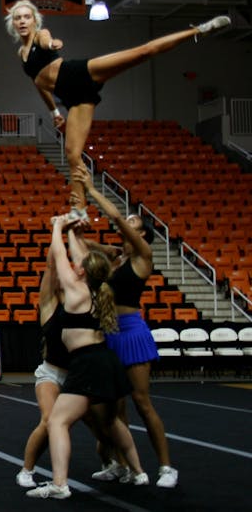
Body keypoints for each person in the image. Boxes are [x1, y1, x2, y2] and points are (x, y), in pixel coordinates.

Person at [4, 1, 230, 219]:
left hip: (79, 73)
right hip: (74, 98)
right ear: (12, 23)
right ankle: (80, 210)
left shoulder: (41, 35)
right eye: (18, 18)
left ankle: (198, 30)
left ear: (35, 20)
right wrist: (54, 112)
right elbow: (39, 85)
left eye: (27, 16)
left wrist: (52, 44)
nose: (23, 21)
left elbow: (48, 41)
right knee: (72, 154)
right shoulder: (21, 55)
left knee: (143, 52)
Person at [26, 215, 147, 500]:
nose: (73, 264)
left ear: (81, 272)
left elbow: (57, 257)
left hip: (88, 363)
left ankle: (59, 484)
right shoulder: (98, 288)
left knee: (57, 422)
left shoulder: (77, 292)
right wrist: (73, 233)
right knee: (112, 421)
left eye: (76, 265)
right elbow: (82, 258)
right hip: (106, 361)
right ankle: (138, 471)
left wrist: (57, 227)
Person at [73, 167, 178, 488]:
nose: (128, 222)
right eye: (130, 220)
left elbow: (117, 217)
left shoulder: (143, 256)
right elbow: (85, 242)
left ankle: (165, 468)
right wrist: (75, 222)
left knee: (142, 402)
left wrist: (91, 189)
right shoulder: (117, 257)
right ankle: (123, 465)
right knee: (112, 408)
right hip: (110, 332)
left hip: (132, 332)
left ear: (142, 233)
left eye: (135, 222)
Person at [16, 241, 70, 487]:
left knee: (105, 423)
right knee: (49, 420)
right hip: (51, 372)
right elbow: (50, 267)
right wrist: (57, 236)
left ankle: (117, 464)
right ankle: (26, 470)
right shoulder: (49, 304)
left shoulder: (80, 301)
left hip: (77, 375)